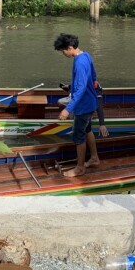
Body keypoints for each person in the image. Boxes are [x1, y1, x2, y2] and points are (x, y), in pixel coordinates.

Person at [54, 33, 100, 177]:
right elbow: (92, 77)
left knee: (78, 137)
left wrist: (67, 110)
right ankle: (94, 158)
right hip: (91, 102)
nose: (63, 54)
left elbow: (80, 91)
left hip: (83, 106)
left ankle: (80, 168)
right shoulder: (85, 55)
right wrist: (71, 86)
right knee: (88, 130)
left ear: (69, 48)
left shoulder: (79, 63)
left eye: (63, 51)